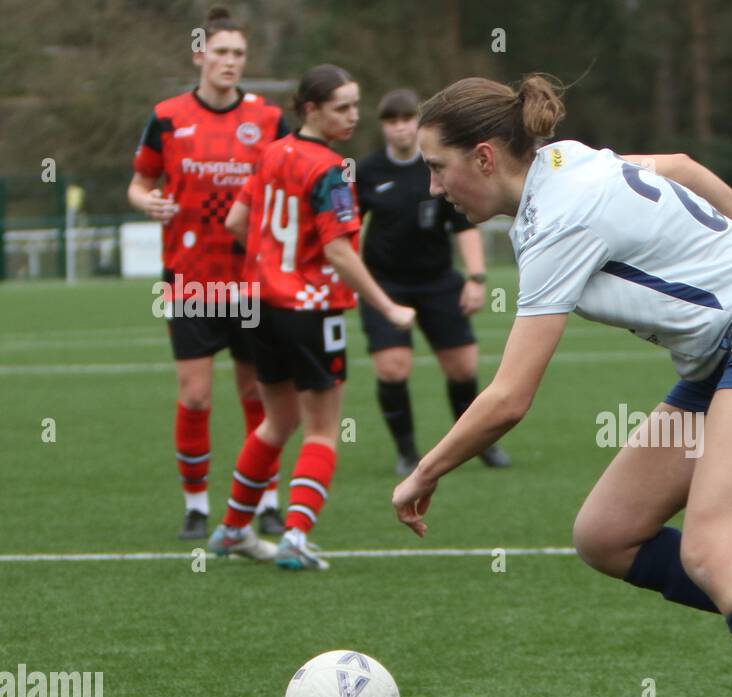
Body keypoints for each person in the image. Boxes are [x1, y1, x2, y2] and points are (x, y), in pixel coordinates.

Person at [393, 75, 732, 697]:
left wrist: (426, 471)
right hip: (727, 352)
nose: (433, 187)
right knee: (607, 533)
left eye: (436, 165)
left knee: (713, 546)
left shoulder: (558, 218)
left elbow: (511, 396)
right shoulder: (563, 161)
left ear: (484, 157)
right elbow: (676, 164)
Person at [207, 64, 416, 570]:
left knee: (277, 422)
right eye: (342, 106)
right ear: (311, 110)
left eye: (355, 104)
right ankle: (295, 537)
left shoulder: (270, 153)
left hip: (258, 304)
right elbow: (340, 251)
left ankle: (233, 529)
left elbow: (237, 221)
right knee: (321, 429)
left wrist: (271, 261)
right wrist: (386, 305)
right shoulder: (330, 168)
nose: (353, 115)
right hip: (308, 308)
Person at [128, 5, 288, 540]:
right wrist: (146, 202)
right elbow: (140, 180)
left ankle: (264, 499)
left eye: (238, 54)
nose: (230, 62)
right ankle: (196, 504)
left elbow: (290, 179)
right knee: (195, 395)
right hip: (190, 279)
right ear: (199, 54)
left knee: (255, 394)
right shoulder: (168, 115)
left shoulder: (267, 119)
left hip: (253, 281)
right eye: (220, 52)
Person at [356, 89, 510, 475]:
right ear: (384, 127)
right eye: (392, 121)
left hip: (440, 281)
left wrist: (475, 278)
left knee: (461, 369)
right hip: (385, 284)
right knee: (392, 368)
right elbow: (347, 229)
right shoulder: (367, 171)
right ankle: (407, 452)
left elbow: (463, 227)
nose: (401, 127)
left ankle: (477, 446)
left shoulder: (437, 166)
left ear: (418, 124)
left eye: (407, 119)